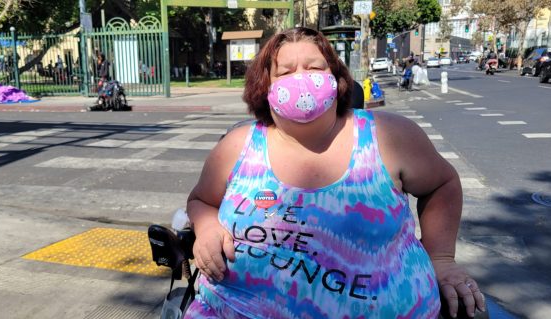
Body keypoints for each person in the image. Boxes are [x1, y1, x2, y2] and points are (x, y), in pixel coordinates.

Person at [184, 27, 486, 318]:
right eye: (286, 72)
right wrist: (207, 227)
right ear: (265, 86)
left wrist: (442, 259)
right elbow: (201, 200)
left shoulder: (389, 135)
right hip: (228, 308)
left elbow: (442, 183)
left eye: (314, 67)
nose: (301, 79)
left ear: (336, 78)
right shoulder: (236, 145)